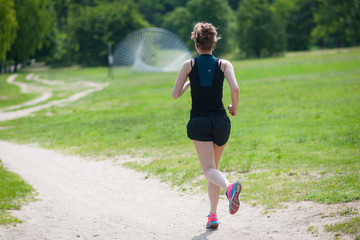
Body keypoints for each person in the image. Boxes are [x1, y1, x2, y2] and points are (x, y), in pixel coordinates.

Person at [172, 22, 241, 229]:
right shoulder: (224, 64)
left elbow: (175, 94)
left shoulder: (188, 66)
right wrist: (234, 108)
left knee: (209, 170)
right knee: (214, 170)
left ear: (196, 42)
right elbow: (235, 88)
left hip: (200, 122)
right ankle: (212, 215)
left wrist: (190, 81)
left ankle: (230, 189)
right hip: (221, 121)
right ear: (214, 42)